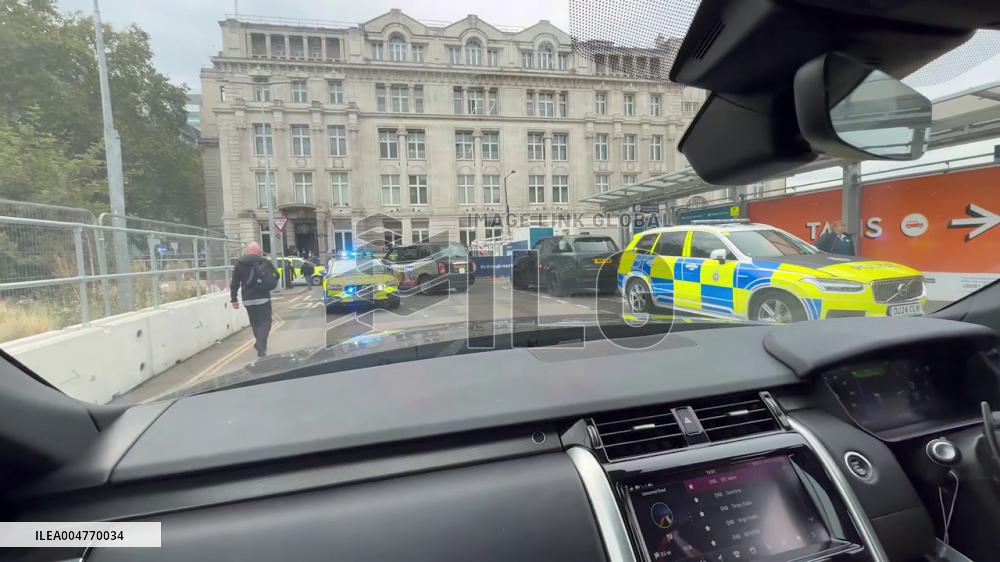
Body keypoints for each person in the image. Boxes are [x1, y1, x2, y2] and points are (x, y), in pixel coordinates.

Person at [230, 243, 279, 358]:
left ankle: (261, 347)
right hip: (263, 297)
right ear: (258, 252)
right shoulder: (264, 262)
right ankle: (260, 344)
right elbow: (276, 274)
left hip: (247, 299)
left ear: (246, 252)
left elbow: (235, 282)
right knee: (265, 322)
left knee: (255, 323)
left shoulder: (239, 263)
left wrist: (234, 299)